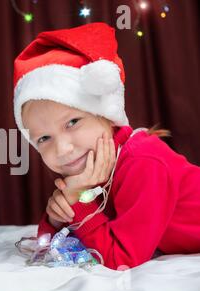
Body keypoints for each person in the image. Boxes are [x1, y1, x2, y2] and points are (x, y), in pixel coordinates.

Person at [13, 22, 200, 269]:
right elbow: (47, 243)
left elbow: (121, 259)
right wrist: (57, 218)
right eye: (44, 139)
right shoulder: (90, 168)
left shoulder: (143, 163)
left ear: (105, 115)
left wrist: (77, 201)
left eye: (72, 122)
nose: (62, 149)